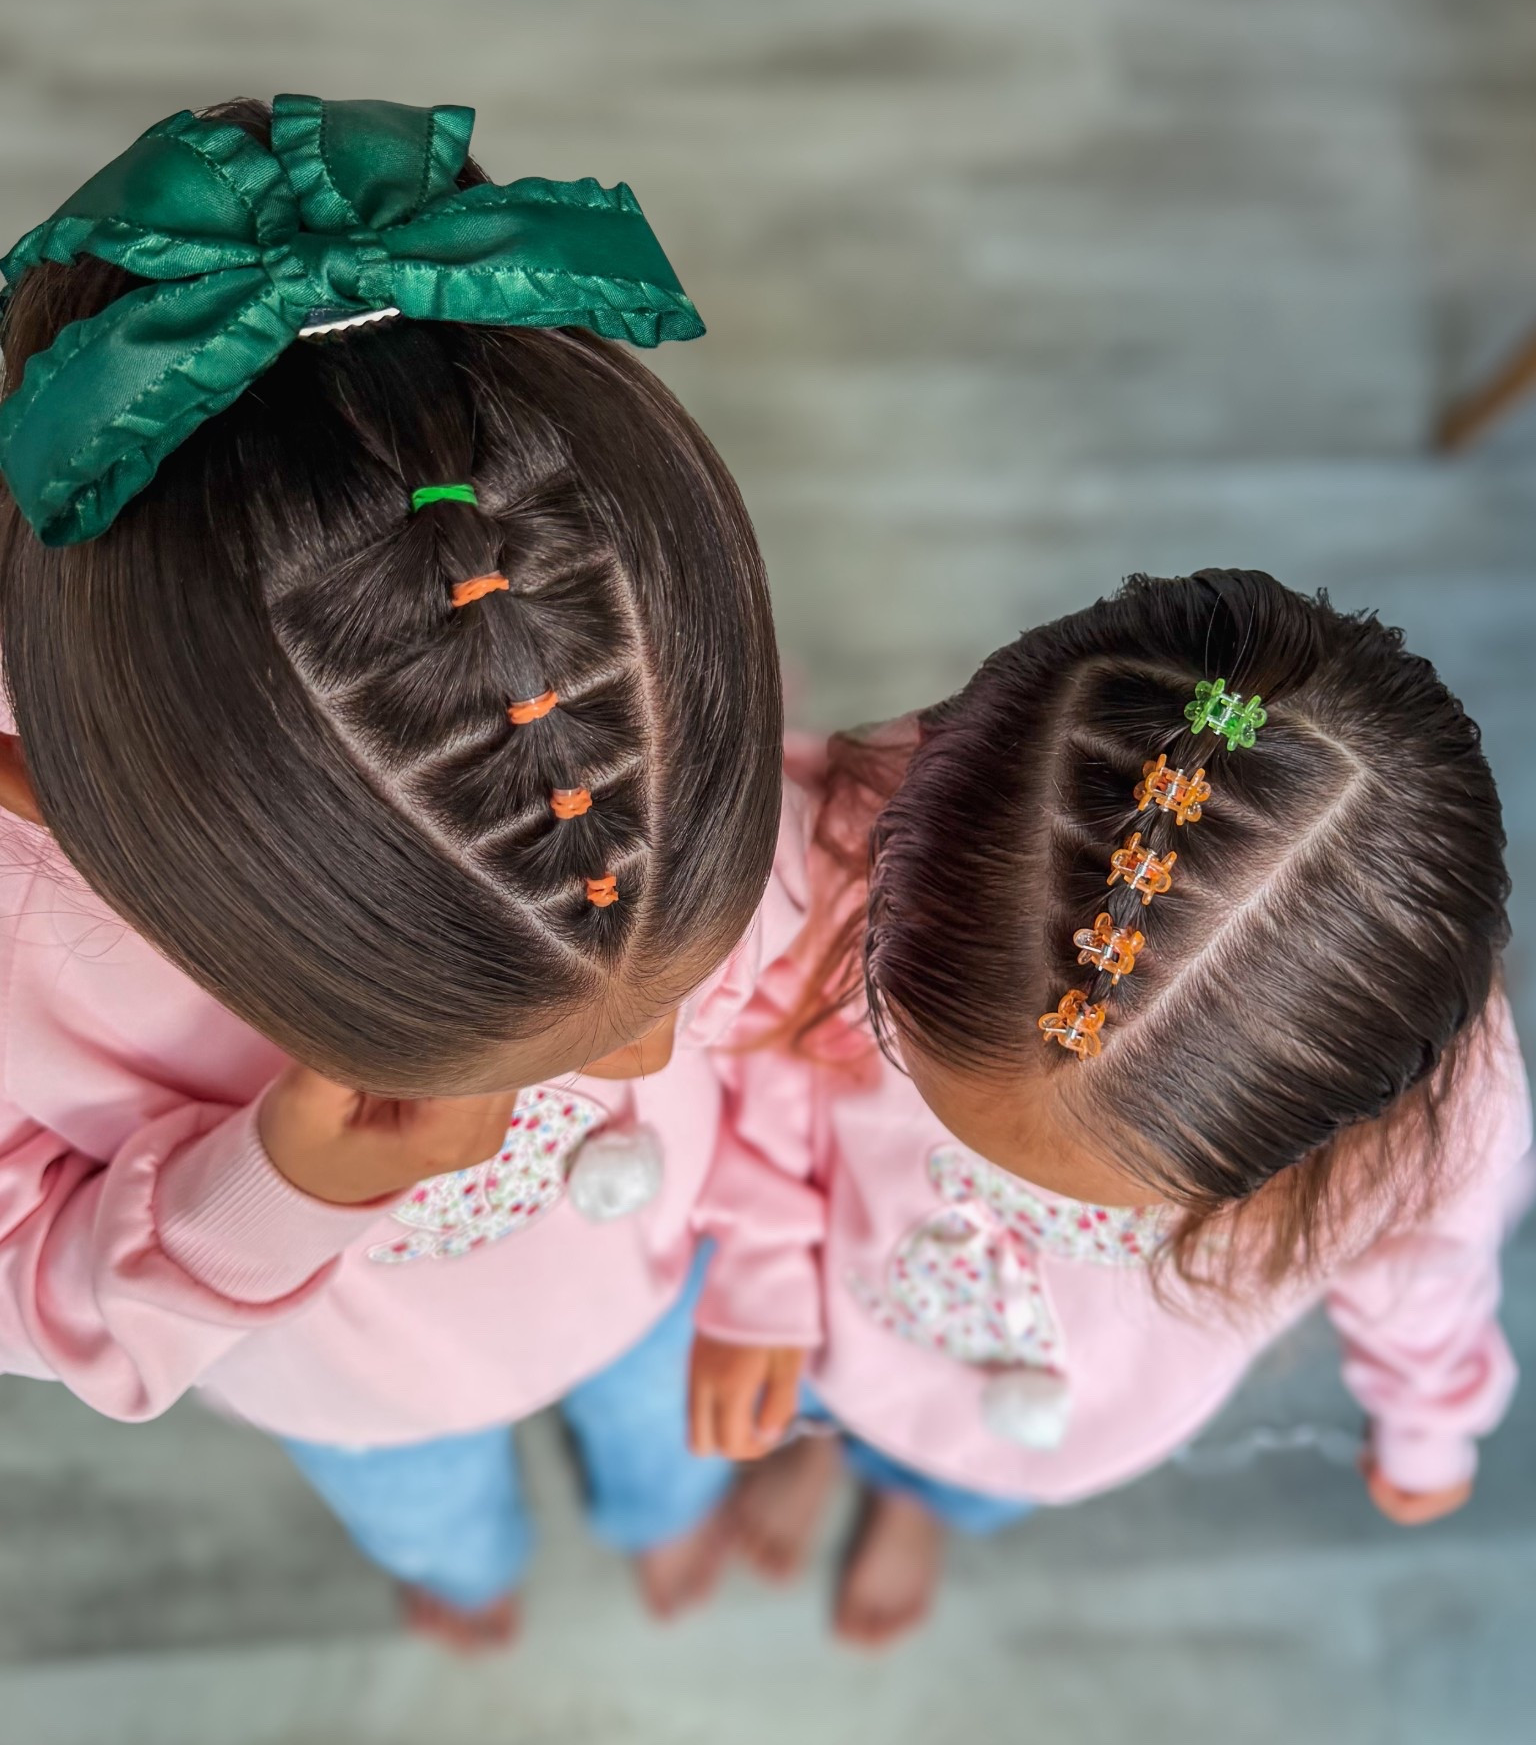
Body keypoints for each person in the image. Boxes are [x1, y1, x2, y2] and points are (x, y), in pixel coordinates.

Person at [0, 93, 799, 1650]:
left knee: (670, 1445)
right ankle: (465, 1577)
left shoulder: (597, 656)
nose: (641, 1058)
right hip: (364, 1395)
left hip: (656, 1279)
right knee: (437, 1522)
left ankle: (651, 1518)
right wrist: (270, 1193)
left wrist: (758, 1227)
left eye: (665, 995)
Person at [689, 570, 1530, 1646]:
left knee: (978, 1481)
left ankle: (920, 1503)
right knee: (828, 1400)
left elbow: (1431, 1282)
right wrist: (763, 1279)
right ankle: (835, 1443)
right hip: (840, 1318)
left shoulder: (1433, 1127)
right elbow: (775, 1052)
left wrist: (1431, 1422)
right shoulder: (871, 853)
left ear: (1324, 1129)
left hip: (1088, 1412)